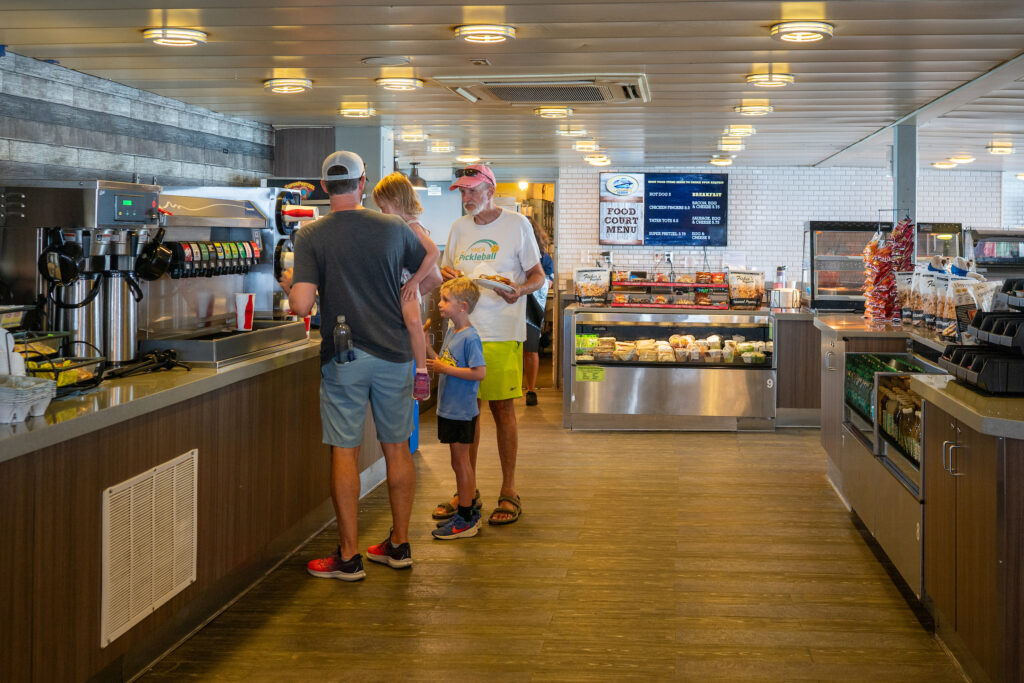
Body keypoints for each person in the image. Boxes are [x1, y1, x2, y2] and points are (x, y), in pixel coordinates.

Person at [279, 150, 441, 581]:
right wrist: (410, 285)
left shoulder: (312, 234)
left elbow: (301, 304)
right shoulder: (392, 227)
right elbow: (433, 263)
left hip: (344, 356)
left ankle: (348, 556)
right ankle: (400, 545)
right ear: (362, 182)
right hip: (395, 354)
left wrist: (291, 285)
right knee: (396, 448)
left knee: (344, 452)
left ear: (323, 185)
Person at [438, 164, 547, 526]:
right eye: (462, 192)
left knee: (502, 411)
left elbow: (537, 276)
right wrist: (447, 275)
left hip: (501, 332)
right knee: (466, 414)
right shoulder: (458, 229)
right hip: (462, 333)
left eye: (472, 191)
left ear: (491, 190)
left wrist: (519, 290)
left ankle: (509, 489)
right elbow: (446, 274)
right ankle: (466, 491)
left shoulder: (517, 225)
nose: (466, 198)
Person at [425, 277, 486, 539]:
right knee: (457, 462)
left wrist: (444, 369)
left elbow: (479, 372)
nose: (440, 304)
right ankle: (467, 513)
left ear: (462, 306)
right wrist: (427, 345)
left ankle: (466, 518)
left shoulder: (471, 337)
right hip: (450, 409)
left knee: (462, 463)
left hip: (461, 410)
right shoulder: (452, 331)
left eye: (445, 300)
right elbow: (444, 362)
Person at [372, 172, 440, 401]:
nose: (382, 213)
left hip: (407, 281)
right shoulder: (400, 225)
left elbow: (434, 253)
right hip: (403, 282)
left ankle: (421, 372)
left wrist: (415, 282)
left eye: (384, 208)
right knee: (407, 322)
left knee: (413, 321)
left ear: (397, 202)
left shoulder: (412, 226)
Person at [523, 217, 555, 406]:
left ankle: (531, 389)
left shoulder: (543, 257)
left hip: (532, 307)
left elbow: (548, 282)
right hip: (507, 306)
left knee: (530, 349)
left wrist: (525, 286)